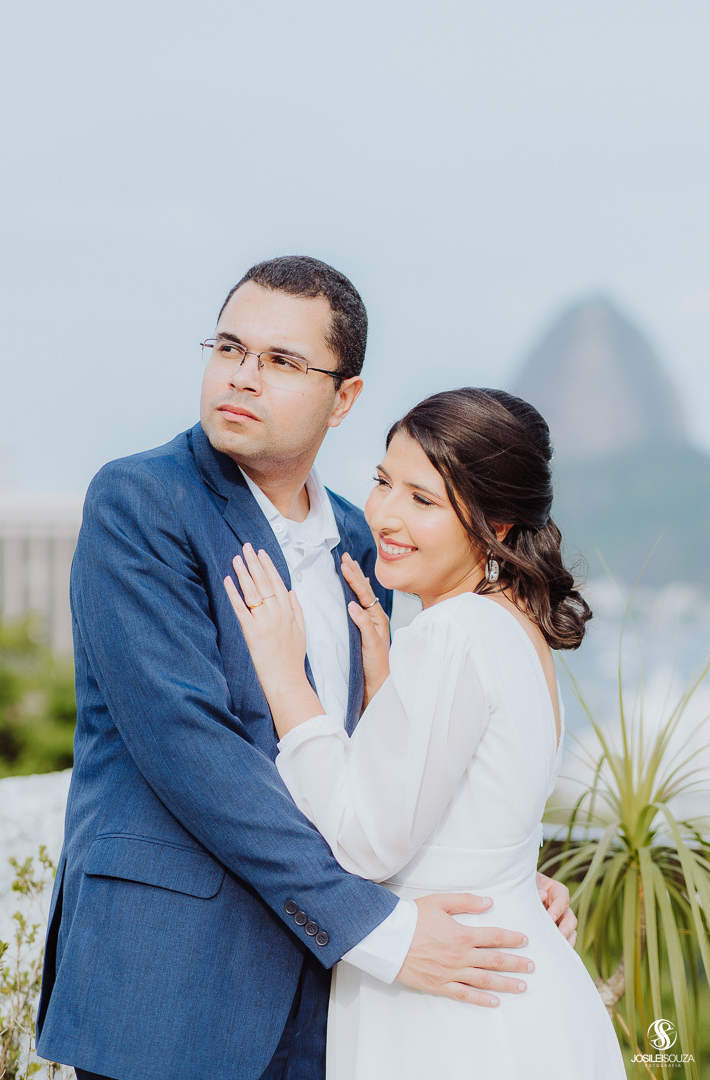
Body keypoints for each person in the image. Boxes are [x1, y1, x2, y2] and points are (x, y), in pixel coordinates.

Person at [36, 257, 576, 1080]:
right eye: (229, 347)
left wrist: (492, 870)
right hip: (173, 993)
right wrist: (381, 930)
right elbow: (193, 751)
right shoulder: (141, 502)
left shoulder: (370, 544)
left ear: (344, 398)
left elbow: (387, 762)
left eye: (282, 362)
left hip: (331, 999)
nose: (242, 377)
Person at [226, 386, 627, 1079]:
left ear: (496, 525)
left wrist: (284, 676)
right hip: (508, 983)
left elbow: (365, 841)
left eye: (424, 500)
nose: (384, 514)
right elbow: (465, 804)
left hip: (453, 1011)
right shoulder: (511, 624)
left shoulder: (453, 631)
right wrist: (387, 693)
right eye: (384, 482)